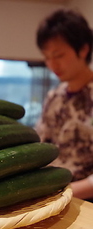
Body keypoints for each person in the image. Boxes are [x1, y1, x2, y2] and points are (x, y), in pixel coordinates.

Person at [35, 8, 93, 200]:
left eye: (58, 55)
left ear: (83, 49)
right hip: (52, 195)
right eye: (47, 57)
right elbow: (40, 145)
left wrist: (66, 192)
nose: (52, 64)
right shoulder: (54, 97)